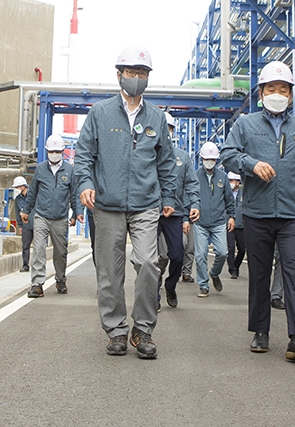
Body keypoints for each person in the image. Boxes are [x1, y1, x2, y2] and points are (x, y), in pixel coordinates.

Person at [74, 45, 177, 359]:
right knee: (109, 271)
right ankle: (116, 330)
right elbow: (83, 156)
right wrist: (86, 184)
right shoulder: (100, 113)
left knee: (148, 262)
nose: (136, 78)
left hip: (146, 203)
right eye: (131, 73)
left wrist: (170, 196)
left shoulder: (157, 117)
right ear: (119, 75)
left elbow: (167, 162)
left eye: (142, 74)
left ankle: (143, 329)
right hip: (106, 202)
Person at [221, 61, 295, 362]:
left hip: (294, 214)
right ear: (261, 93)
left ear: (291, 95)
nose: (277, 94)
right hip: (257, 213)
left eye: (283, 90)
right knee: (260, 274)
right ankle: (261, 331)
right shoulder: (245, 124)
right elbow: (228, 154)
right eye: (271, 89)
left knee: (294, 272)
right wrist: (251, 165)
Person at [21, 134, 82, 299]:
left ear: (62, 151)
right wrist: (26, 211)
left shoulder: (69, 171)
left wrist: (77, 214)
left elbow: (74, 194)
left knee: (60, 252)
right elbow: (32, 192)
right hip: (41, 216)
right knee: (39, 248)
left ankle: (60, 279)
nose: (54, 153)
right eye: (51, 151)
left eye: (57, 151)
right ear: (47, 151)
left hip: (60, 218)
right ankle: (37, 284)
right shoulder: (40, 169)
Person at [157, 113, 200, 309]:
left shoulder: (182, 157)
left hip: (174, 213)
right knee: (152, 258)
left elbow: (191, 183)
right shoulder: (147, 154)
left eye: (170, 128)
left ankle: (170, 285)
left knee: (176, 255)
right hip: (151, 213)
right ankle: (153, 294)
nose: (167, 132)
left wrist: (194, 205)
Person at [193, 141, 234, 297]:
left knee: (223, 252)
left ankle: (214, 273)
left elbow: (229, 199)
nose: (209, 162)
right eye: (206, 159)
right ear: (201, 158)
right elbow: (189, 196)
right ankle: (203, 285)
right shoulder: (195, 176)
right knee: (200, 254)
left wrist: (231, 216)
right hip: (200, 222)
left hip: (219, 221)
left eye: (213, 159)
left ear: (217, 160)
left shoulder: (223, 177)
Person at [10, 176, 32, 272]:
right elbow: (17, 212)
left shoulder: (33, 195)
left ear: (23, 186)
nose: (16, 189)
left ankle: (38, 265)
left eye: (17, 187)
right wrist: (20, 226)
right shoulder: (18, 199)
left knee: (40, 245)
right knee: (25, 246)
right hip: (25, 225)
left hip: (36, 223)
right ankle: (25, 265)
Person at [226, 171, 245, 279]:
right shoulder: (226, 193)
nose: (231, 183)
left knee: (242, 249)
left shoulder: (244, 193)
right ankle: (232, 270)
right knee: (230, 248)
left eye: (232, 180)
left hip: (241, 225)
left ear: (238, 182)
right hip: (228, 224)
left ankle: (236, 265)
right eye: (229, 180)